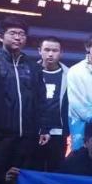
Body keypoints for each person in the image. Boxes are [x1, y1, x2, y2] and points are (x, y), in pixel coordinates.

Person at [0, 17, 46, 184]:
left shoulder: (33, 67)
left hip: (27, 138)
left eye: (22, 34)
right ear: (1, 36)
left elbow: (41, 99)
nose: (18, 37)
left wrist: (43, 127)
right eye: (13, 33)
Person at [35, 36, 69, 172]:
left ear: (61, 53)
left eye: (55, 50)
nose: (50, 54)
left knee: (56, 171)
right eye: (47, 50)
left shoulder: (70, 75)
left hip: (59, 132)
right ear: (39, 51)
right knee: (33, 169)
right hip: (34, 131)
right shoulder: (30, 72)